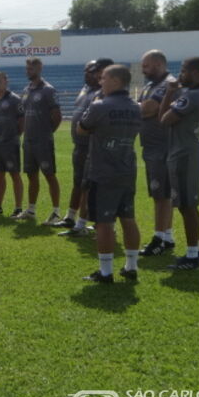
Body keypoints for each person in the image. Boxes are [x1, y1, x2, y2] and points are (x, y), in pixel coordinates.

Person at [77, 65, 142, 282]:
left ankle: (105, 272)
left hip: (103, 171)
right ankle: (131, 267)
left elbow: (82, 128)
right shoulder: (136, 107)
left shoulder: (100, 106)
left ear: (115, 81)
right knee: (128, 218)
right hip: (127, 169)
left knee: (103, 222)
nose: (100, 82)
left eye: (103, 78)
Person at [159, 57, 199, 270]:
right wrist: (171, 93)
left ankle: (192, 256)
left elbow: (164, 119)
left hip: (184, 155)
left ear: (195, 72)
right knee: (190, 205)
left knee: (187, 206)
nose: (180, 75)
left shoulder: (193, 96)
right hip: (187, 153)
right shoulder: (195, 94)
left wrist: (170, 92)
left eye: (184, 71)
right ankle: (194, 252)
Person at [54, 58, 113, 235]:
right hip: (79, 145)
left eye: (92, 70)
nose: (87, 74)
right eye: (87, 70)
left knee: (89, 185)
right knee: (78, 182)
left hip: (92, 146)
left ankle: (85, 223)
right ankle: (71, 217)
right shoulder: (86, 89)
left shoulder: (105, 93)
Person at [137, 50, 177, 256]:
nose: (143, 70)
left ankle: (159, 238)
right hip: (153, 145)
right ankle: (167, 236)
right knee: (162, 194)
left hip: (161, 146)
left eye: (146, 66)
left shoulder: (166, 84)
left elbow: (149, 109)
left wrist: (133, 106)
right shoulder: (152, 85)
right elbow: (144, 107)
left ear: (159, 65)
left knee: (160, 194)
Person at [14, 57, 62, 225]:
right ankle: (31, 210)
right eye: (27, 68)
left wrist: (46, 134)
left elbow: (57, 117)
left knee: (49, 175)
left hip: (42, 141)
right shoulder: (27, 90)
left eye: (31, 68)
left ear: (40, 68)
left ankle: (56, 212)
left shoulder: (48, 90)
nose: (28, 71)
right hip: (28, 141)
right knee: (31, 175)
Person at [0, 71, 24, 217]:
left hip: (10, 143)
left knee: (14, 174)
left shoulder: (14, 99)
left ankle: (18, 207)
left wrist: (14, 137)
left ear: (6, 81)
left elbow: (22, 121)